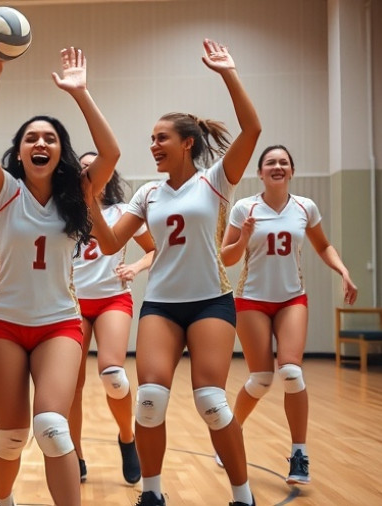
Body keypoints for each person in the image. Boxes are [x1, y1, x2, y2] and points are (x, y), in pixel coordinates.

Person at [86, 39, 262, 506]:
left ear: (187, 143)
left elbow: (252, 128)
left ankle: (242, 496)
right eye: (151, 139)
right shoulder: (148, 195)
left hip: (210, 301)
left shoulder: (217, 180)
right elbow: (107, 243)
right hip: (161, 305)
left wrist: (228, 73)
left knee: (210, 400)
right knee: (149, 400)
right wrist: (88, 200)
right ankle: (152, 493)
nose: (153, 145)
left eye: (161, 138)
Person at [0, 35, 119, 506]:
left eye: (50, 138)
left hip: (59, 324)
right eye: (31, 137)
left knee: (53, 427)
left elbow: (110, 154)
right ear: (19, 150)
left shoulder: (77, 193)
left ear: (60, 151)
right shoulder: (2, 189)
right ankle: (2, 500)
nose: (40, 142)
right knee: (11, 435)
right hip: (1, 325)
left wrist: (79, 92)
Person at [219, 144, 357, 485]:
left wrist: (343, 271)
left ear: (291, 171)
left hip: (292, 300)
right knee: (262, 379)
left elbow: (323, 245)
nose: (277, 166)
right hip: (251, 300)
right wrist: (245, 236)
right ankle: (229, 435)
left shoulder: (304, 208)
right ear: (260, 172)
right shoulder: (243, 208)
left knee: (292, 372)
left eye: (283, 162)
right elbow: (226, 257)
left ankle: (299, 453)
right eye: (270, 163)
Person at [69, 155, 153, 485]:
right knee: (70, 387)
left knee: (113, 374)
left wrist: (135, 267)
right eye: (85, 169)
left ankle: (127, 437)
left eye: (97, 168)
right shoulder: (66, 211)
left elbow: (153, 249)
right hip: (71, 303)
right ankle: (75, 454)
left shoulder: (122, 212)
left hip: (112, 299)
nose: (92, 173)